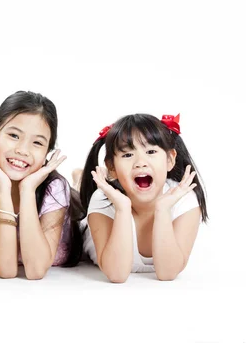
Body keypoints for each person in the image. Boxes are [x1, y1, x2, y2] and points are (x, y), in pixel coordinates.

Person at [0, 91, 84, 279]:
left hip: (80, 216)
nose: (22, 150)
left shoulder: (54, 189)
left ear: (47, 152)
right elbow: (5, 270)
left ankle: (79, 181)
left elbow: (35, 270)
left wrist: (28, 190)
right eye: (14, 135)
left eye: (37, 142)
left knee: (83, 197)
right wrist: (3, 192)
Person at [79, 113, 208, 282]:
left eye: (151, 151)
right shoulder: (103, 200)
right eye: (127, 155)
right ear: (112, 167)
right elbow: (116, 275)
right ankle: (78, 178)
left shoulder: (184, 199)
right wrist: (122, 209)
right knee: (74, 209)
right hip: (87, 221)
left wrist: (162, 210)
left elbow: (167, 273)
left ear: (170, 159)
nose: (141, 162)